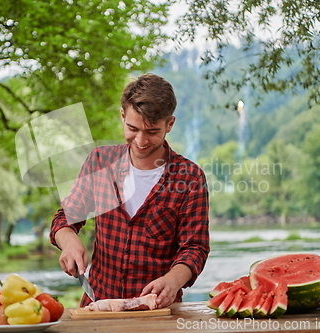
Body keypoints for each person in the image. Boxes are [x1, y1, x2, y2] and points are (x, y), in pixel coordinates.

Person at [50, 73, 210, 308]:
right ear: (123, 116)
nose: (141, 140)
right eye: (133, 128)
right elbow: (64, 219)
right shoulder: (100, 162)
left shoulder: (190, 177)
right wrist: (70, 242)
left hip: (159, 311)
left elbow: (195, 248)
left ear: (170, 124)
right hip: (97, 305)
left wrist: (173, 280)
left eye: (152, 131)